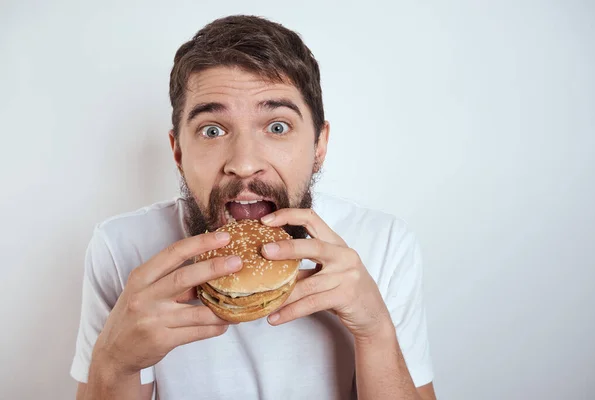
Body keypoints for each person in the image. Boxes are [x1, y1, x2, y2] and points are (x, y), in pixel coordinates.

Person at [71, 15, 436, 400]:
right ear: (178, 151)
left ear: (319, 146)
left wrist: (375, 331)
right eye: (213, 130)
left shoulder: (382, 244)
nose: (244, 164)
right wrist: (113, 362)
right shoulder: (122, 248)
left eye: (277, 126)